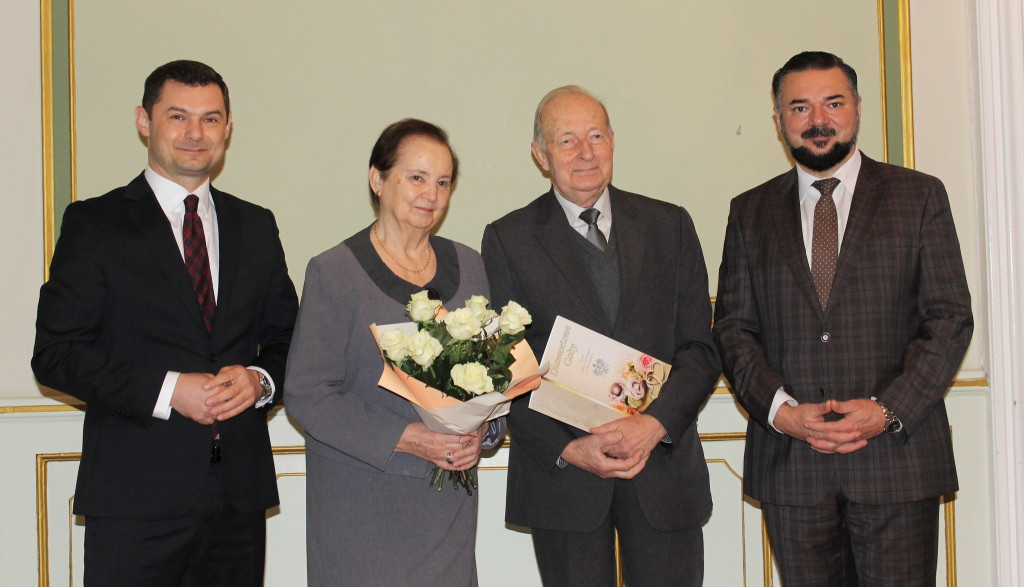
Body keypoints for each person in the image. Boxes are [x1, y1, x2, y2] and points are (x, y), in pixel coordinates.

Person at [31, 60, 298, 585]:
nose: (195, 134)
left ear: (227, 128)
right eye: (178, 116)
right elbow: (56, 355)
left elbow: (288, 340)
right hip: (134, 500)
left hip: (239, 500)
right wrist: (169, 389)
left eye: (211, 119)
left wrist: (260, 380)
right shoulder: (95, 224)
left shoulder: (256, 225)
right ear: (143, 122)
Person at [713, 51, 974, 585]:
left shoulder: (918, 196)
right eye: (799, 107)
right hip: (793, 466)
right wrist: (781, 411)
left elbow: (949, 319)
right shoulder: (749, 212)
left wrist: (886, 410)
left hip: (896, 462)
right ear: (779, 119)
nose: (817, 120)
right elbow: (734, 329)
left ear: (857, 107)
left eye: (832, 103)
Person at [481, 86, 720, 586]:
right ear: (540, 156)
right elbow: (505, 367)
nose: (585, 153)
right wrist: (568, 449)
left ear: (612, 141)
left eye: (595, 136)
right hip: (565, 478)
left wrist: (654, 424)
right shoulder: (508, 239)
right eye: (566, 141)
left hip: (662, 468)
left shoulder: (669, 225)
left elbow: (699, 348)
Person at [284, 119, 500, 585]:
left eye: (443, 182)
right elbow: (307, 395)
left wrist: (483, 427)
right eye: (417, 177)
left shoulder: (471, 266)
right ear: (378, 179)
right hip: (364, 511)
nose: (432, 194)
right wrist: (407, 437)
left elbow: (496, 378)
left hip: (448, 510)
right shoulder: (334, 272)